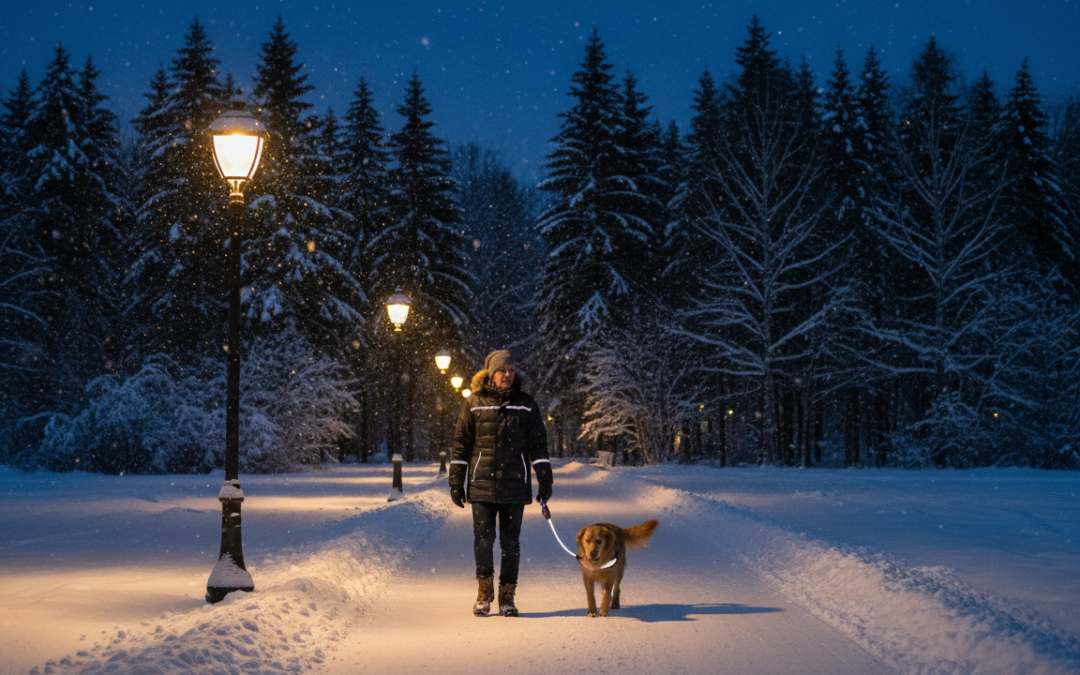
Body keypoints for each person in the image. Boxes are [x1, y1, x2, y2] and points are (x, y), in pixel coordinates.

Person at [448, 349, 553, 617]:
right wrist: (456, 481)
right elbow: (461, 444)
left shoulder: (526, 404)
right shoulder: (473, 403)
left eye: (510, 370)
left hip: (515, 484)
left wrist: (544, 479)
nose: (507, 375)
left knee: (510, 543)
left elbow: (538, 445)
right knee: (483, 540)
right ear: (491, 374)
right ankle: (484, 595)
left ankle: (507, 597)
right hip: (481, 483)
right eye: (501, 370)